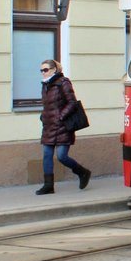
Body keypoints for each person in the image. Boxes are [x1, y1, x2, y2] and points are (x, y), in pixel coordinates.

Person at [34, 59, 91, 195]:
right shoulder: (45, 85)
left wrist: (60, 116)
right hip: (48, 125)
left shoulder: (63, 82)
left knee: (61, 156)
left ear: (54, 70)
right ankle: (48, 186)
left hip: (62, 125)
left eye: (45, 70)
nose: (43, 73)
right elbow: (47, 105)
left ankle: (82, 172)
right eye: (41, 70)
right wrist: (43, 116)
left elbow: (72, 102)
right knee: (47, 155)